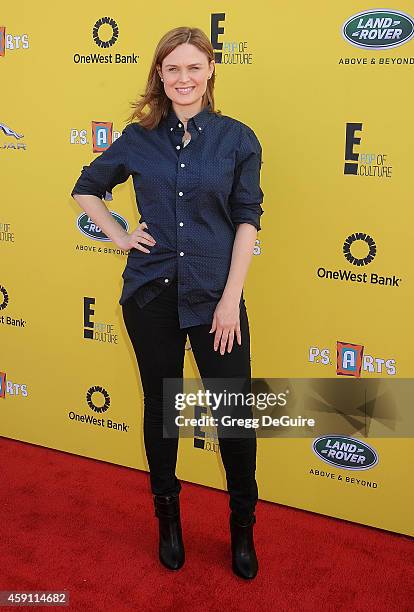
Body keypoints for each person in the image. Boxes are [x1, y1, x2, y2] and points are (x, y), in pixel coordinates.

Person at [71, 26, 264, 580]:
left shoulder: (237, 139)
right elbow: (86, 187)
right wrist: (120, 233)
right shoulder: (139, 138)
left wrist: (231, 301)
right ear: (160, 74)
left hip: (215, 298)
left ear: (210, 73)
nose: (183, 78)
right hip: (150, 294)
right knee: (163, 410)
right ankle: (168, 521)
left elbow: (248, 220)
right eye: (172, 68)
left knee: (234, 415)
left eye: (193, 68)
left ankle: (242, 530)